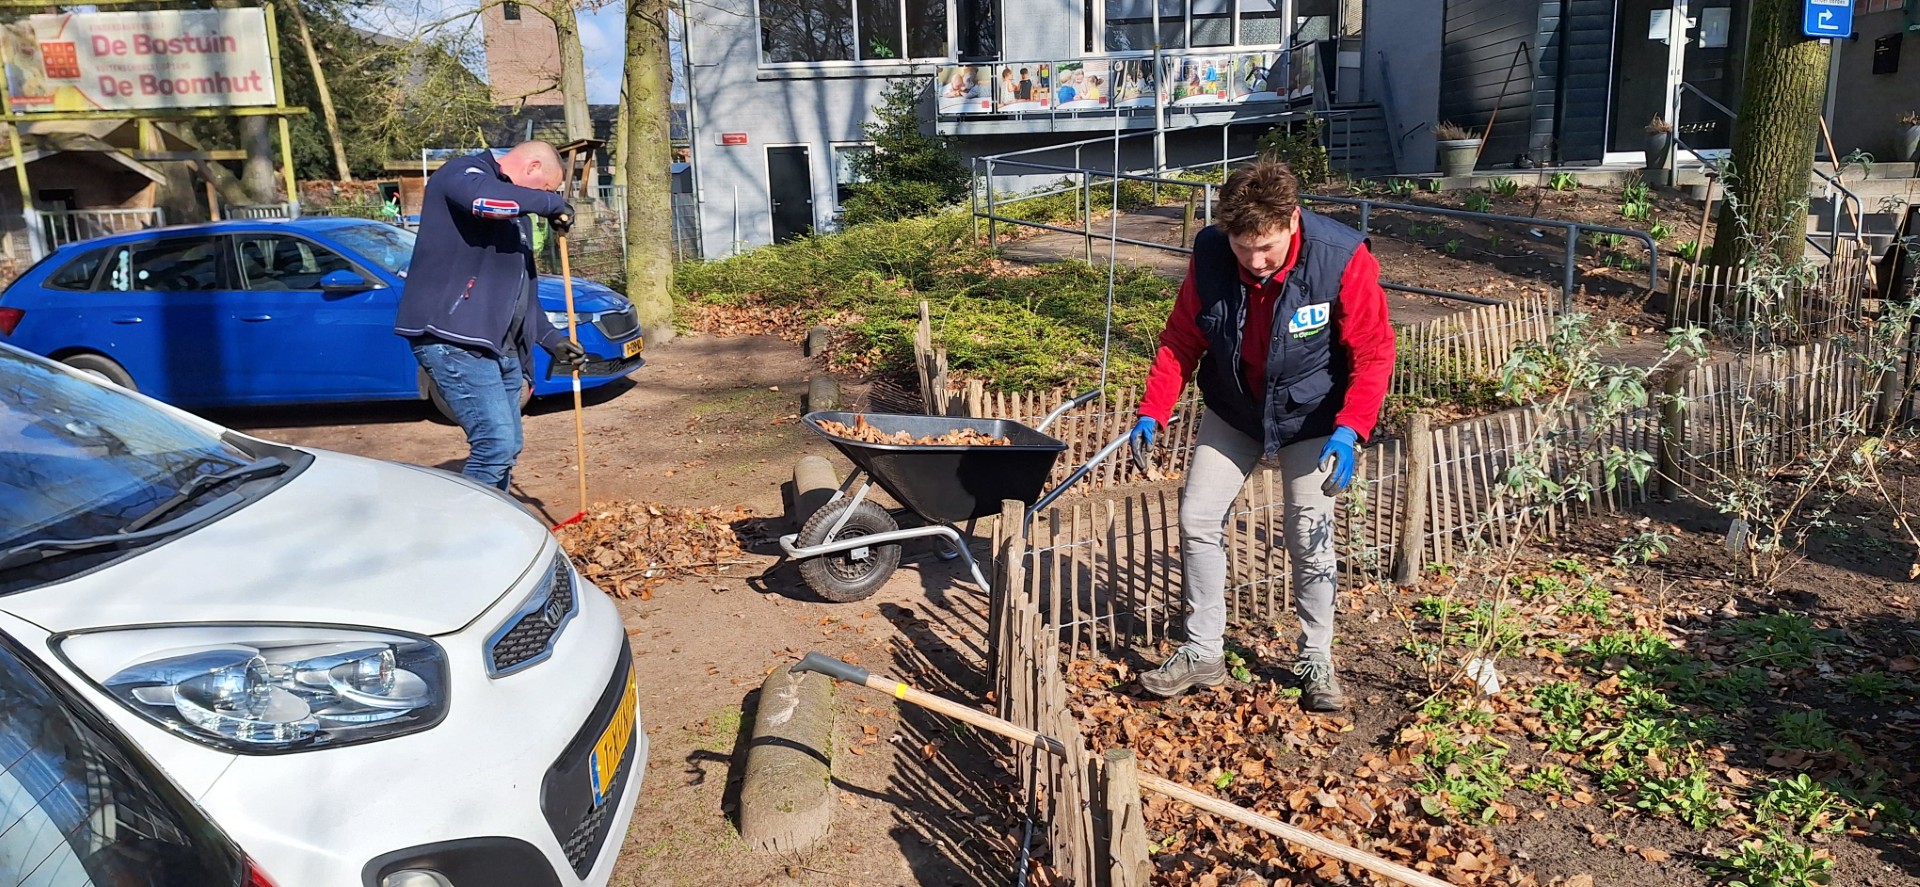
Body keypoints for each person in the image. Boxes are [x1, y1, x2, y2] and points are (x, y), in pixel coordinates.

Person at [1129, 160, 1394, 711]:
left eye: (1267, 247)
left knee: (1308, 532)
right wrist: (1153, 409)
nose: (1255, 261)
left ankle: (1316, 657)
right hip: (1235, 410)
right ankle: (1203, 651)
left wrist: (1350, 428)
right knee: (1197, 519)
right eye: (1243, 248)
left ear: (1292, 220)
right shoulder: (1211, 255)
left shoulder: (1340, 258)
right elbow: (1181, 338)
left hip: (1312, 417)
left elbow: (1373, 352)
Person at [393, 140, 588, 492]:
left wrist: (552, 340)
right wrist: (550, 204)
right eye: (547, 188)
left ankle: (499, 515)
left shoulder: (517, 217)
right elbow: (482, 201)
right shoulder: (463, 173)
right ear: (532, 167)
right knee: (494, 444)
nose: (545, 197)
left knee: (508, 445)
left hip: (501, 347)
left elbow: (520, 292)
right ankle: (471, 522)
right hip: (454, 338)